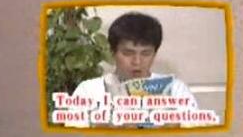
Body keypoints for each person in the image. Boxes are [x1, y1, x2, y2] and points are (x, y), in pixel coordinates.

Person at [68, 11, 198, 127]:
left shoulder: (176, 90)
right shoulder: (89, 91)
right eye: (128, 53)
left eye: (146, 53)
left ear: (155, 54)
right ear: (112, 52)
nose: (137, 62)